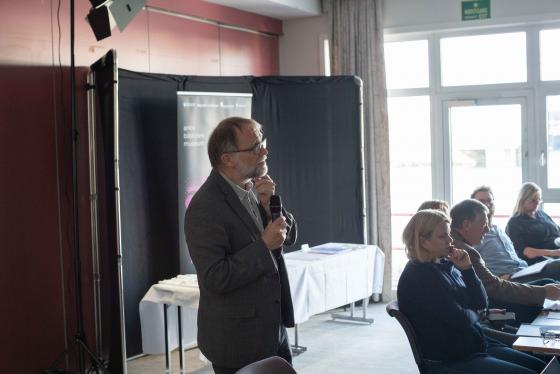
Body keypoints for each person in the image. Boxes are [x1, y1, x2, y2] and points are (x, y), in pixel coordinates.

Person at [184, 117, 297, 374]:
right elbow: (216, 277)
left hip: (273, 327)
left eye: (263, 143)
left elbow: (287, 236)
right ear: (227, 159)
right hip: (237, 338)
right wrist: (263, 246)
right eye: (255, 147)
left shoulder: (256, 187)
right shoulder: (205, 207)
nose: (265, 151)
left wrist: (271, 207)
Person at [398, 209, 546, 373]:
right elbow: (460, 318)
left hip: (473, 343)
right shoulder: (419, 276)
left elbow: (482, 302)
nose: (450, 240)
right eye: (443, 236)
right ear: (423, 242)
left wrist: (468, 270)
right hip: (452, 358)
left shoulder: (444, 265)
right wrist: (482, 314)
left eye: (449, 234)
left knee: (541, 365)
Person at [450, 199, 560, 324]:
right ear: (466, 225)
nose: (487, 229)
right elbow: (494, 288)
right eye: (483, 224)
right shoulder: (465, 250)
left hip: (503, 284)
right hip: (489, 302)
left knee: (547, 284)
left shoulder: (463, 244)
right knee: (542, 294)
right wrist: (544, 292)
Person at [472, 185, 560, 282]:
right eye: (482, 201)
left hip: (524, 270)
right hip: (509, 277)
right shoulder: (473, 234)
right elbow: (472, 265)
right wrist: (495, 277)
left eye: (490, 200)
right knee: (556, 267)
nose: (487, 204)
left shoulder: (498, 231)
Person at [506, 182, 560, 265]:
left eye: (539, 199)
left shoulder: (541, 214)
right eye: (533, 200)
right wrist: (553, 252)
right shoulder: (515, 222)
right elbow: (526, 252)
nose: (537, 203)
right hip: (540, 261)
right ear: (523, 200)